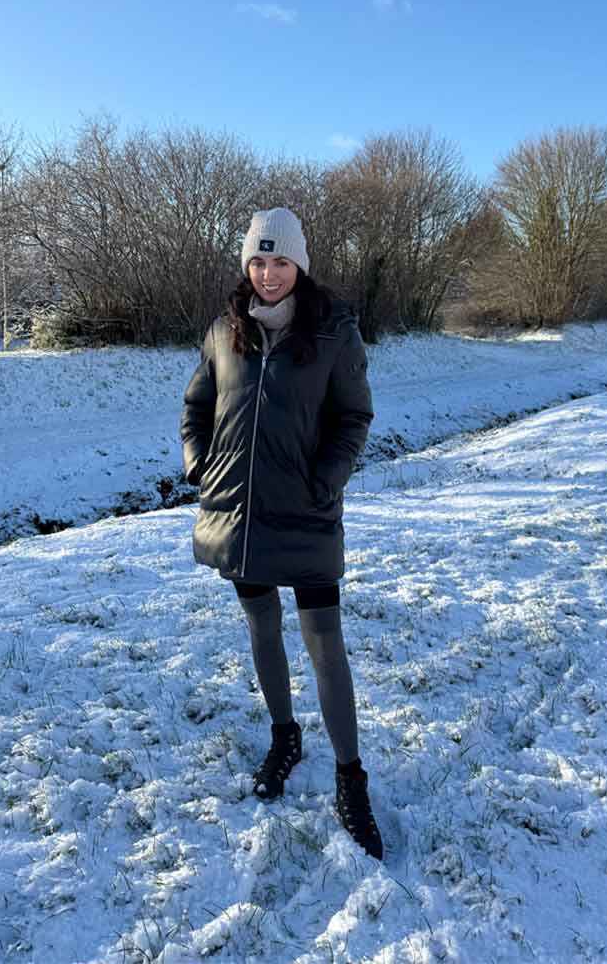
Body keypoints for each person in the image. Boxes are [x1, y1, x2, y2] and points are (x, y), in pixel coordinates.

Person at [180, 206, 382, 859]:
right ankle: (284, 735)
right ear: (248, 264)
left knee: (325, 645)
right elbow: (197, 404)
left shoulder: (333, 332)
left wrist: (326, 480)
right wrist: (200, 464)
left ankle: (350, 779)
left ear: (301, 264)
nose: (269, 274)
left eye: (281, 261)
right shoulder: (224, 331)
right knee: (261, 630)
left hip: (307, 514)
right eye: (259, 261)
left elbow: (354, 417)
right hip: (239, 517)